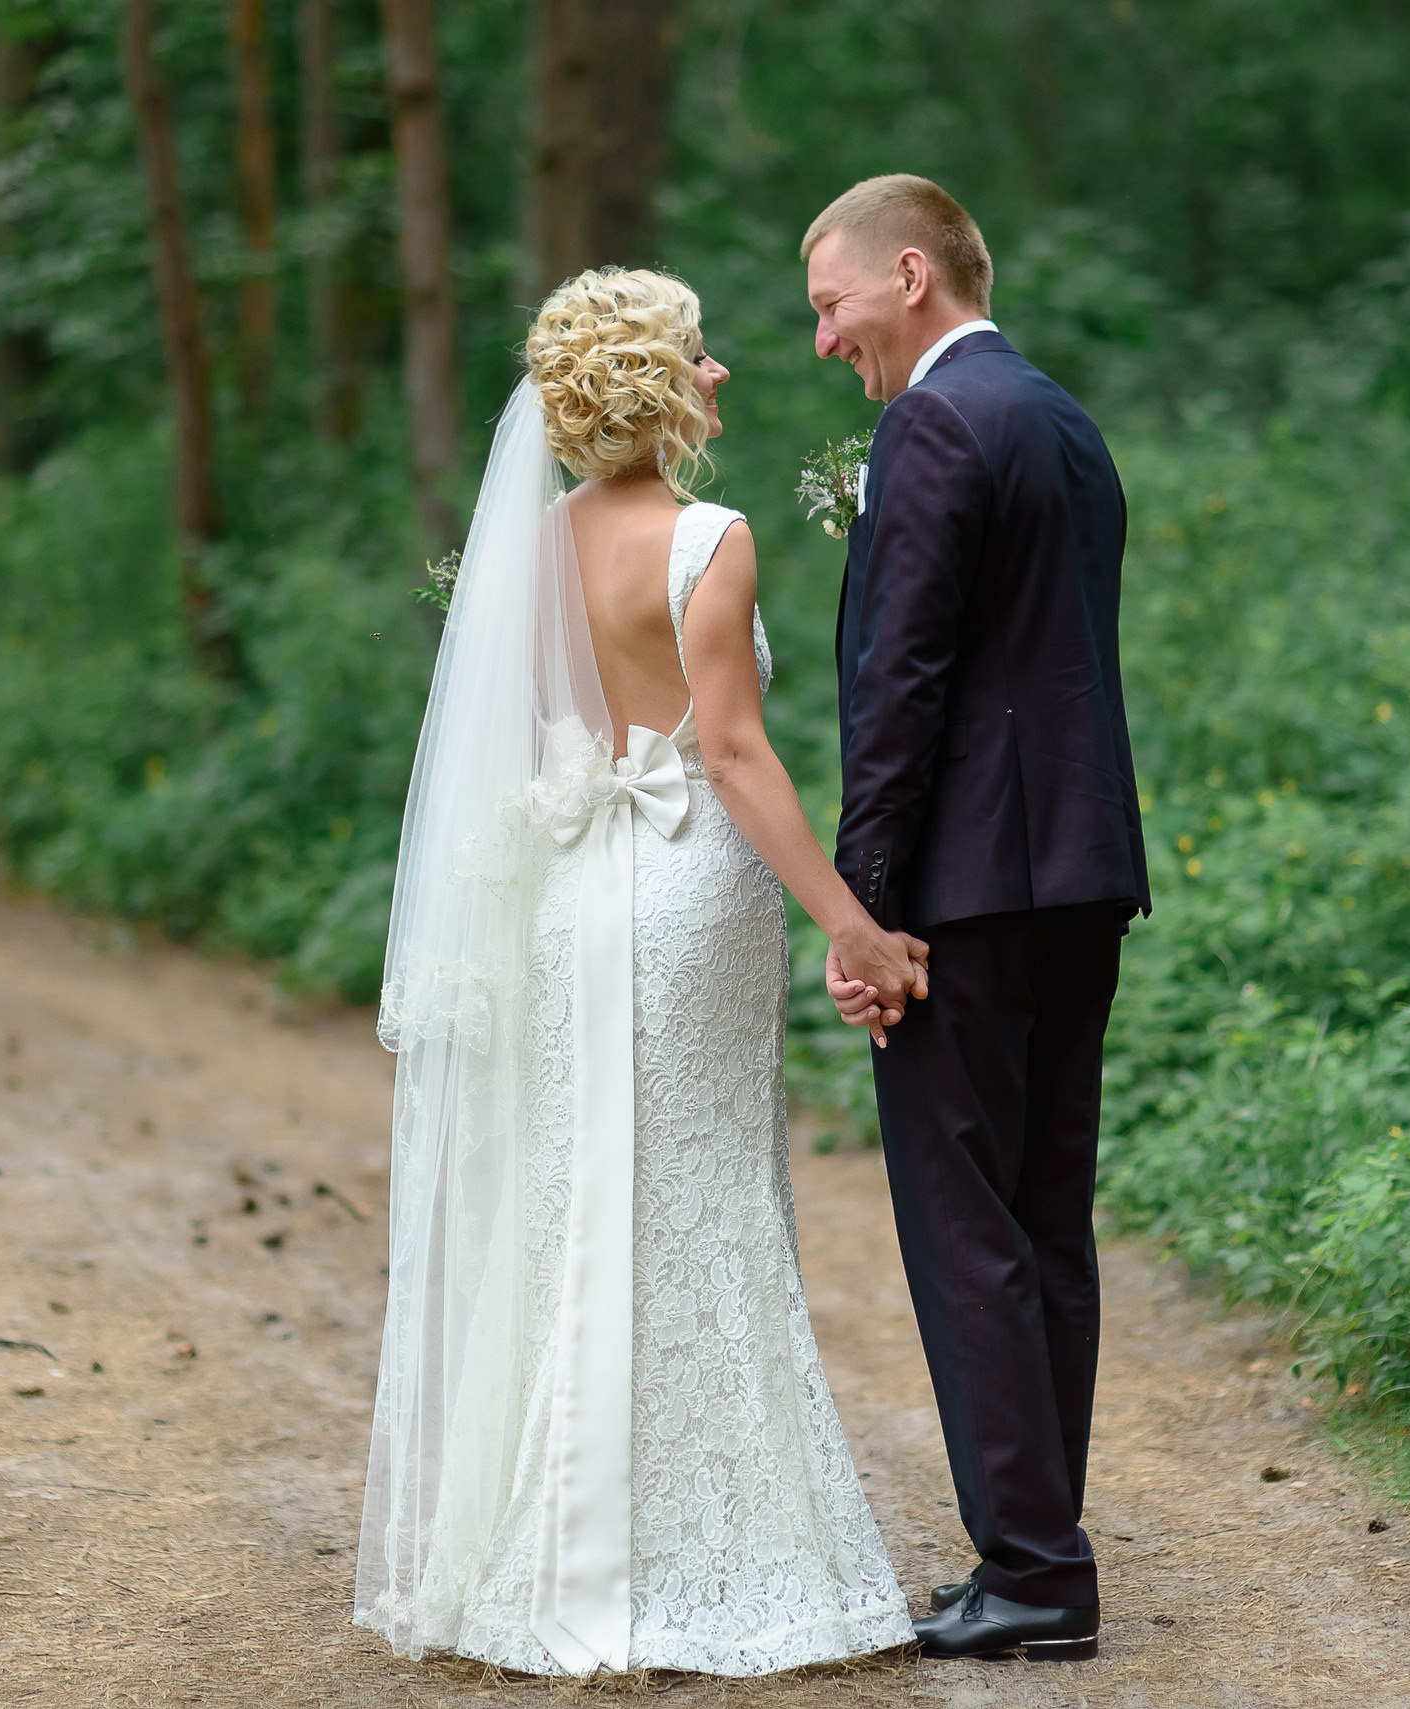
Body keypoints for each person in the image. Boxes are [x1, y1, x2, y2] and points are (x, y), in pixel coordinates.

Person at [353, 267, 927, 1676]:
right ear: (654, 385)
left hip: (570, 899)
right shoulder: (710, 538)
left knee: (578, 1204)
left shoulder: (533, 549)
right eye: (698, 354)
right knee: (705, 1198)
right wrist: (853, 920)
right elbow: (730, 755)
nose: (722, 372)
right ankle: (716, 1561)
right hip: (683, 899)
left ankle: (553, 1561)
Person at [805, 174, 1151, 1662]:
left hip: (964, 889)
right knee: (1042, 1215)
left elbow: (906, 685)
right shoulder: (1062, 418)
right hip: (1079, 872)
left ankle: (1031, 1569)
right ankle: (1041, 1548)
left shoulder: (934, 423)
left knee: (968, 1230)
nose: (825, 340)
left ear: (908, 275)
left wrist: (864, 913)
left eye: (831, 305)